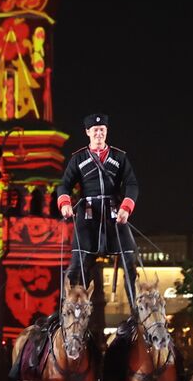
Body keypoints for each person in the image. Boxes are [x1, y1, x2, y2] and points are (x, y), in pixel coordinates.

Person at [57, 113, 141, 305]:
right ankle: (69, 308)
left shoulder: (119, 157)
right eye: (95, 130)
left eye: (102, 130)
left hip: (114, 214)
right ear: (87, 132)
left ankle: (136, 310)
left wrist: (126, 208)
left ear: (106, 131)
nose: (99, 134)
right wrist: (66, 204)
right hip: (88, 215)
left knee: (130, 259)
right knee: (77, 264)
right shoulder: (78, 158)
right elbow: (64, 185)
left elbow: (132, 184)